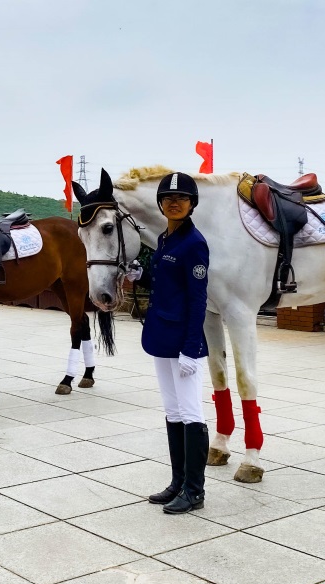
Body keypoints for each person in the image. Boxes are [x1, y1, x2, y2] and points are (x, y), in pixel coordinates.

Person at [132, 171, 210, 515]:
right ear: (161, 204)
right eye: (168, 198)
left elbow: (198, 299)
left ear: (192, 204)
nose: (174, 203)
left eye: (181, 198)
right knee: (173, 411)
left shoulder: (194, 243)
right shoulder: (165, 239)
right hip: (161, 337)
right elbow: (166, 284)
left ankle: (195, 491)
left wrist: (191, 348)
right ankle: (178, 482)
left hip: (183, 342)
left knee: (191, 414)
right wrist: (142, 276)